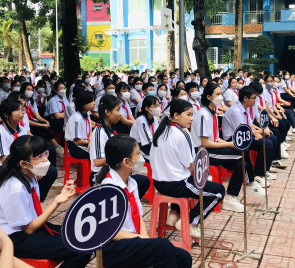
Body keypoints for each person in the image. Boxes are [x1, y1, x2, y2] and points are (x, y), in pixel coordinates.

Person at [0, 136, 92, 267]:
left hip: (28, 229)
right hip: (13, 239)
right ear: (23, 164)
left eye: (45, 154)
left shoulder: (30, 177)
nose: (45, 159)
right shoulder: (15, 188)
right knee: (79, 248)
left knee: (81, 235)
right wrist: (57, 202)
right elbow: (29, 229)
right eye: (39, 157)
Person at [97, 134, 192, 268]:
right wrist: (141, 240)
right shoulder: (109, 189)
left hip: (132, 241)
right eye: (137, 154)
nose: (140, 157)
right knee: (162, 246)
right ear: (126, 162)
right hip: (114, 248)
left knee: (183, 257)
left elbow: (138, 216)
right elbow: (110, 232)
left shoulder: (131, 183)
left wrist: (145, 239)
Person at [150, 99, 225, 238]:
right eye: (189, 115)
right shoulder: (182, 134)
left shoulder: (161, 130)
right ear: (177, 115)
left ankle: (174, 214)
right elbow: (191, 166)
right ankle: (190, 222)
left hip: (159, 183)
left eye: (192, 115)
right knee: (218, 192)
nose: (192, 119)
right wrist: (205, 176)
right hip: (176, 185)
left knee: (184, 175)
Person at [192, 82, 261, 212]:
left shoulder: (212, 113)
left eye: (221, 94)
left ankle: (231, 197)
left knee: (241, 162)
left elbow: (216, 138)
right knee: (241, 155)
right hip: (203, 152)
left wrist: (230, 144)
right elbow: (206, 143)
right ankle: (247, 184)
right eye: (217, 94)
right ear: (208, 97)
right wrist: (229, 144)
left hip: (212, 148)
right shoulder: (203, 115)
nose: (221, 97)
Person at [64, 91, 95, 160]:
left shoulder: (86, 114)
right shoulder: (77, 119)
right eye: (91, 101)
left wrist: (91, 140)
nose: (94, 103)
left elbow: (90, 131)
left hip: (85, 142)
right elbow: (78, 141)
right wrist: (91, 142)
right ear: (84, 104)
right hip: (76, 147)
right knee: (99, 152)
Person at [129, 95, 160, 161]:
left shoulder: (154, 118)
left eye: (158, 106)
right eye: (155, 106)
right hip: (139, 147)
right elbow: (149, 141)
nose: (158, 108)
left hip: (151, 146)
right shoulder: (141, 120)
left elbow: (157, 134)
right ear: (147, 108)